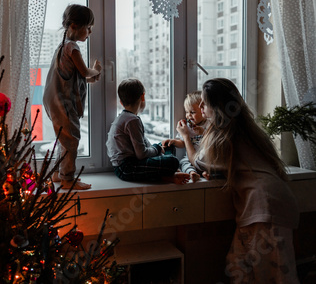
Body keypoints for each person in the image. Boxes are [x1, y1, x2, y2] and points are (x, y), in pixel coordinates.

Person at [178, 78, 299, 283]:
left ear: (216, 107)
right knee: (239, 266)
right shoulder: (243, 128)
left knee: (271, 275)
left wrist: (186, 137)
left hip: (264, 208)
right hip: (272, 202)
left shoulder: (225, 135)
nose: (199, 107)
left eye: (204, 103)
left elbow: (197, 162)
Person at [43, 4, 102, 190]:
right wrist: (96, 70)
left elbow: (75, 79)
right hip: (63, 104)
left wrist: (92, 77)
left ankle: (57, 174)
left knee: (63, 139)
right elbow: (84, 72)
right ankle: (68, 179)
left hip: (54, 101)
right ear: (75, 26)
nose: (90, 32)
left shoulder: (61, 47)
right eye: (88, 27)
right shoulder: (72, 47)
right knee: (71, 140)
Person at [106, 78, 190, 184]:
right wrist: (158, 149)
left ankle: (170, 174)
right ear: (142, 96)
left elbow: (144, 145)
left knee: (168, 145)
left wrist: (159, 148)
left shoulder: (126, 117)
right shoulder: (132, 120)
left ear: (121, 102)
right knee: (172, 162)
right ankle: (170, 174)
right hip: (127, 168)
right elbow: (142, 154)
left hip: (129, 165)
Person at [162, 91, 208, 182]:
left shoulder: (208, 124)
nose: (188, 115)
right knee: (183, 161)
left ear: (203, 110)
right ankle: (192, 173)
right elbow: (183, 143)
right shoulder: (187, 126)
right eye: (187, 112)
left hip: (204, 158)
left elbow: (211, 137)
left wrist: (203, 132)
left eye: (192, 112)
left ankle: (206, 172)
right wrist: (174, 142)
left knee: (210, 163)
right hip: (191, 158)